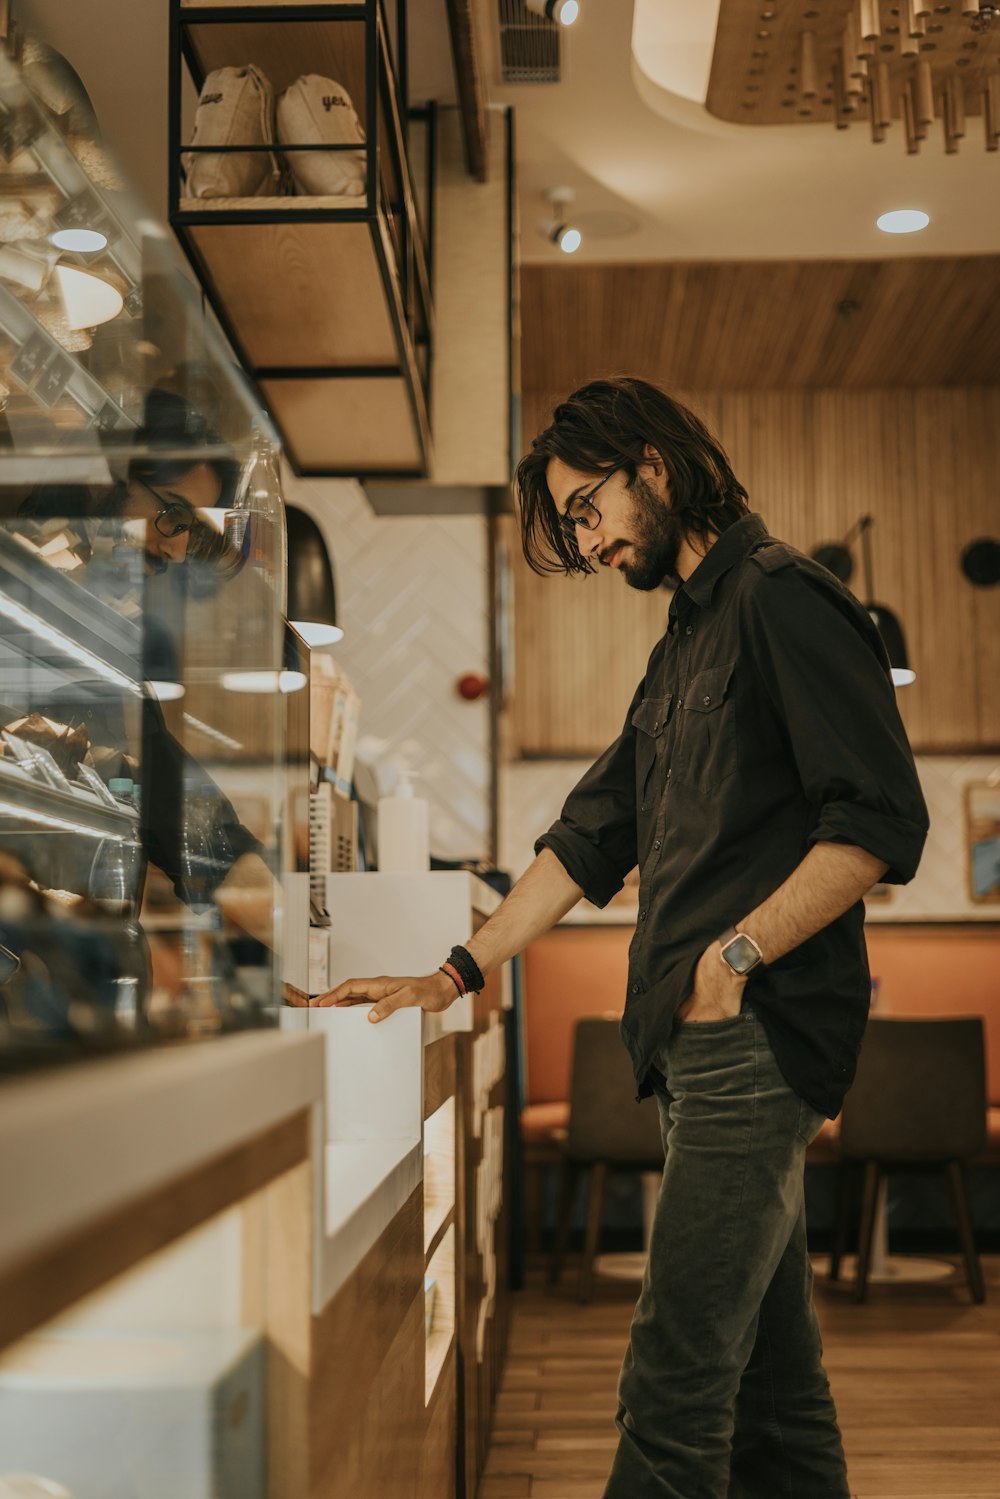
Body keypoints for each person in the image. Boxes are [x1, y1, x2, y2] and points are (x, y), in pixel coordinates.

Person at [314, 376, 929, 1499]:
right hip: (696, 1050)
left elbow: (882, 821)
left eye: (587, 508)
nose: (585, 539)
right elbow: (592, 836)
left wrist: (732, 957)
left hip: (756, 1041)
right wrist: (453, 969)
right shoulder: (685, 640)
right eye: (570, 524)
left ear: (651, 465)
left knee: (674, 1379)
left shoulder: (782, 598)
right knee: (773, 1396)